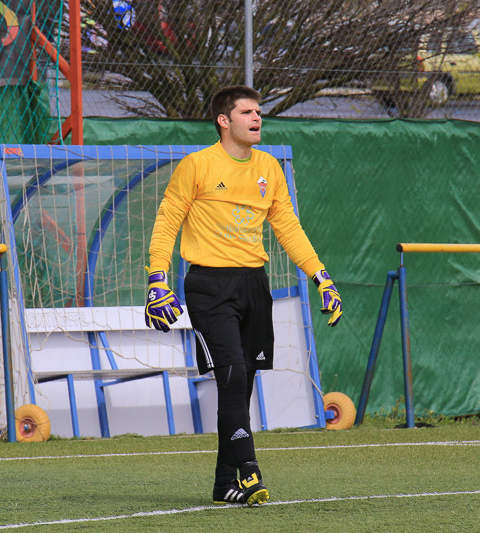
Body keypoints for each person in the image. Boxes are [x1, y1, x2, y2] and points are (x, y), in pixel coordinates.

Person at [144, 85, 342, 507]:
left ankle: (223, 485)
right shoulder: (197, 165)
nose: (257, 118)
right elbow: (167, 223)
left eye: (259, 112)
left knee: (240, 385)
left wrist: (321, 276)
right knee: (233, 376)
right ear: (224, 120)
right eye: (247, 112)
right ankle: (250, 473)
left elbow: (288, 227)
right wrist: (157, 280)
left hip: (254, 285)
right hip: (209, 287)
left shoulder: (268, 167)